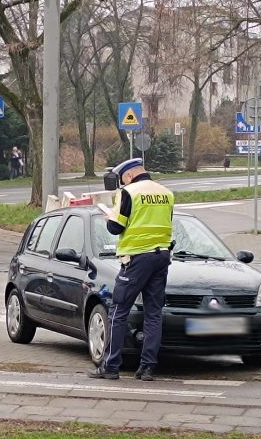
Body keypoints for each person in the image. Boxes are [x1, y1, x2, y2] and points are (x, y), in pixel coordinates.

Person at [88, 158, 174, 381]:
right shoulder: (166, 193)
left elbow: (117, 227)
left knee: (118, 311)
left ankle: (111, 365)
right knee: (153, 313)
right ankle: (147, 368)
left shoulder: (129, 192)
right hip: (161, 256)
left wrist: (109, 217)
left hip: (136, 259)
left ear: (127, 175)